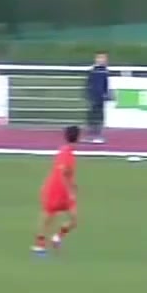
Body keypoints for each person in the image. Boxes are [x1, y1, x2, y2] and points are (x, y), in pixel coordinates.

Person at [34, 126, 82, 255]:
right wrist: (70, 191)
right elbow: (64, 172)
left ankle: (56, 238)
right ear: (78, 138)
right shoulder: (67, 154)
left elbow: (65, 172)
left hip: (56, 188)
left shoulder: (64, 151)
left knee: (72, 219)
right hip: (57, 190)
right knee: (50, 216)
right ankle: (40, 244)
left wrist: (73, 184)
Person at [84, 54, 110, 143]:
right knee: (92, 114)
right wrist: (88, 93)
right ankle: (91, 133)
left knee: (99, 115)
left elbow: (106, 83)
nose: (102, 60)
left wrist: (106, 93)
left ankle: (98, 134)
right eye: (100, 58)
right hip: (93, 96)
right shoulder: (93, 70)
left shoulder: (105, 71)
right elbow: (89, 83)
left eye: (104, 59)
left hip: (101, 97)